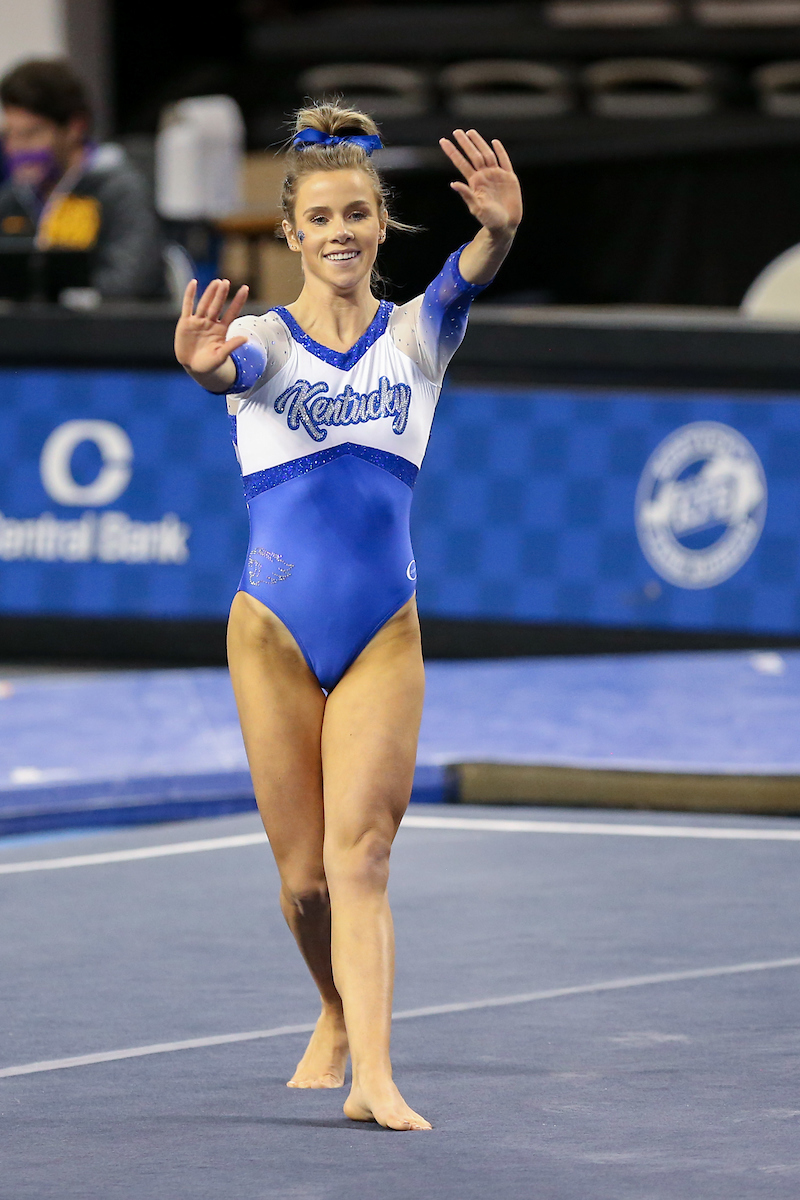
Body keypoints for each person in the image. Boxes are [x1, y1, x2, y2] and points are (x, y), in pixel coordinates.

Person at [174, 102, 521, 1131]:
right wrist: (203, 368)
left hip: (382, 632)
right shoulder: (259, 343)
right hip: (272, 636)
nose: (337, 230)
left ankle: (373, 1074)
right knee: (304, 880)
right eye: (318, 216)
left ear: (380, 227)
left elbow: (469, 274)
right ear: (288, 233)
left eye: (356, 214)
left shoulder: (418, 335)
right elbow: (227, 372)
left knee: (358, 856)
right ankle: (330, 1008)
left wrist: (497, 228)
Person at [0, 58, 164, 298]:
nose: (17, 149)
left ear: (75, 127)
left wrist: (56, 294)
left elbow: (132, 283)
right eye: (10, 136)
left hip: (108, 331)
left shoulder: (120, 190)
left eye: (32, 134)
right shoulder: (12, 198)